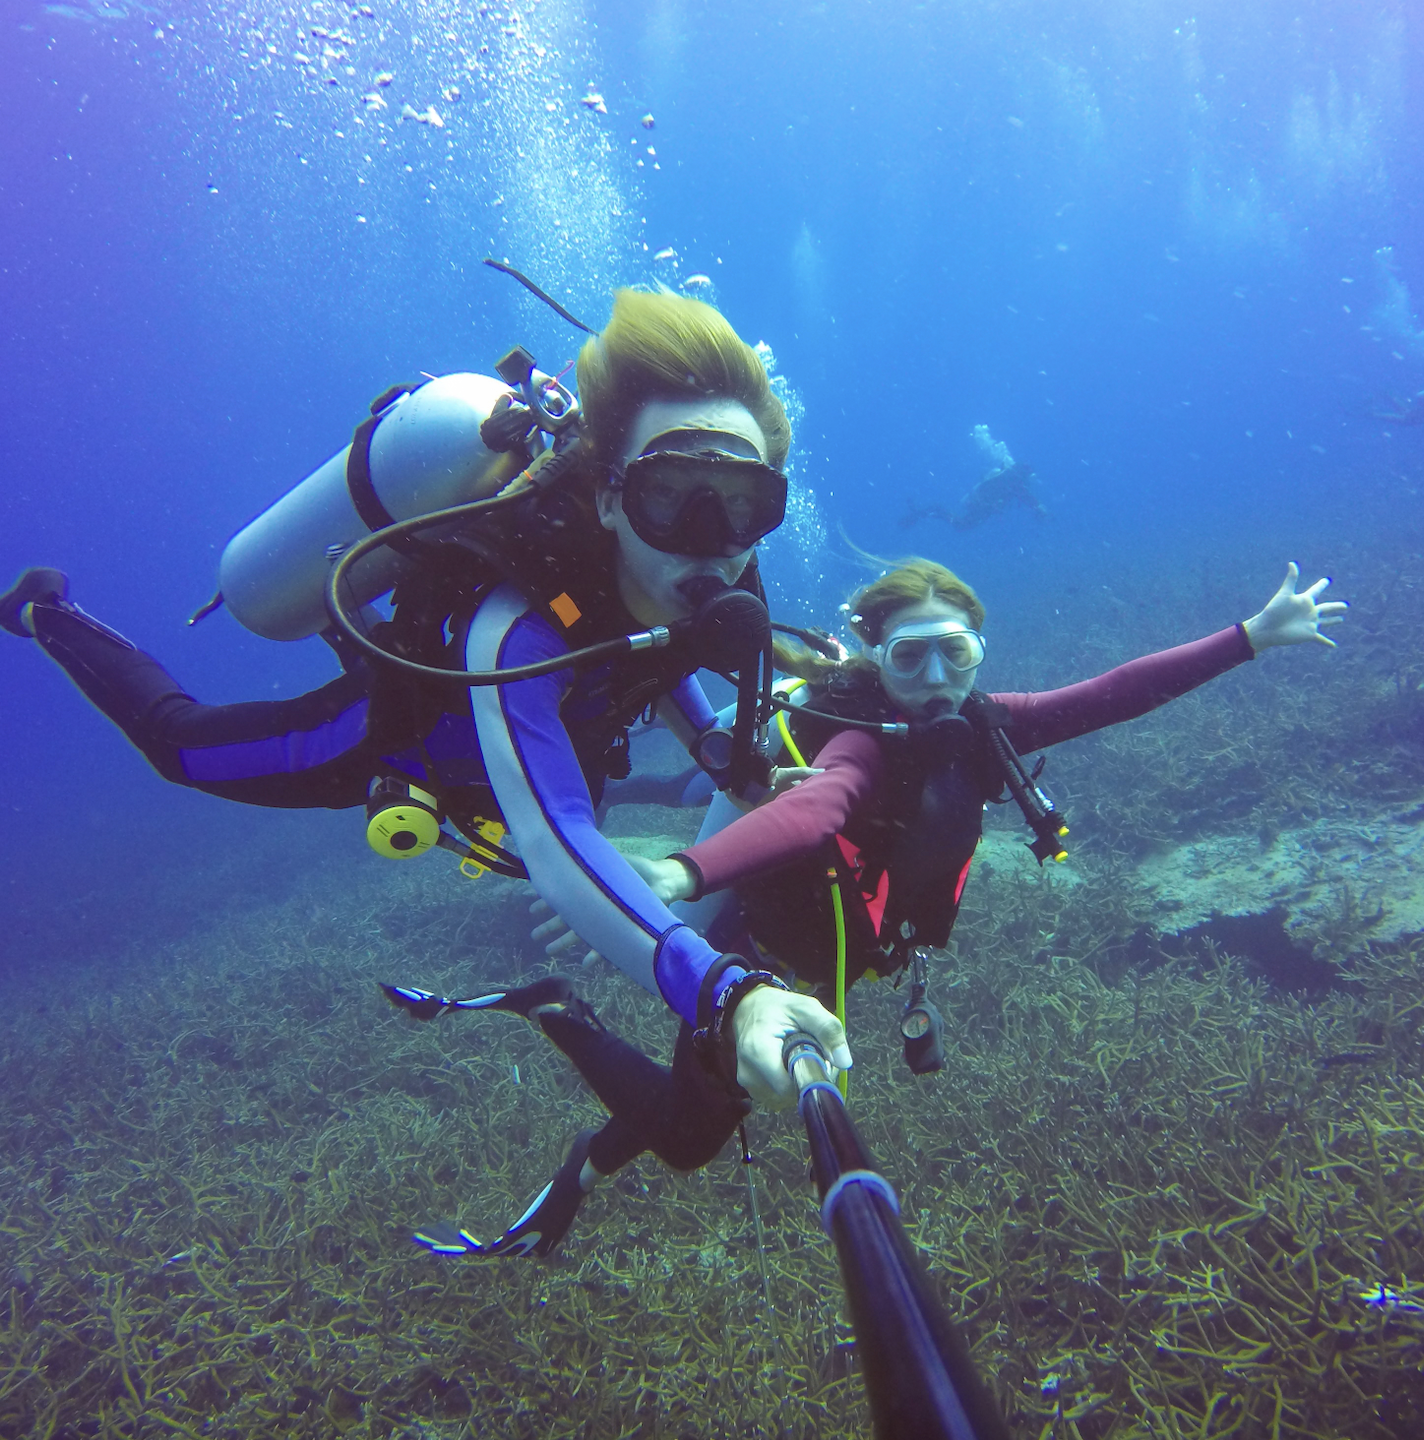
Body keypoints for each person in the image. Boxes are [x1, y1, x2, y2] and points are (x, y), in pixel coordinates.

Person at [1, 289, 852, 1247]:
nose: (710, 533)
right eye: (670, 494)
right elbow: (557, 838)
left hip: (542, 732)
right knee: (181, 745)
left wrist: (711, 750)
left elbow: (655, 654)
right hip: (408, 731)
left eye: (743, 503)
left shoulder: (710, 574)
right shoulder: (513, 629)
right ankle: (46, 613)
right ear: (611, 494)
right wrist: (724, 991)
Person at [393, 555, 1346, 1256]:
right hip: (764, 966)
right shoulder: (860, 741)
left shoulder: (987, 728)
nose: (935, 682)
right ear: (875, 661)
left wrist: (1250, 638)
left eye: (955, 654)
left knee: (700, 1112)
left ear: (978, 652)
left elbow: (1108, 694)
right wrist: (686, 875)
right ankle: (560, 1015)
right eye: (909, 659)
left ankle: (582, 1162)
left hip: (839, 963)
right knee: (690, 1136)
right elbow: (816, 807)